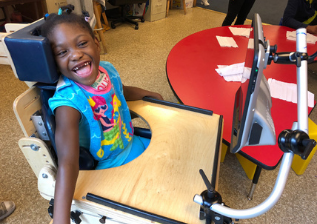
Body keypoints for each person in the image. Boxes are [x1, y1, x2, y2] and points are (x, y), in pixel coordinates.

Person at [39, 5, 163, 224]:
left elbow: (120, 89)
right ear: (54, 63)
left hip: (130, 142)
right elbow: (68, 163)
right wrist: (61, 219)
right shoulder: (68, 103)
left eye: (82, 43)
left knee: (171, 161)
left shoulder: (106, 69)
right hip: (109, 169)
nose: (76, 54)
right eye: (62, 52)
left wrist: (149, 95)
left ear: (96, 44)